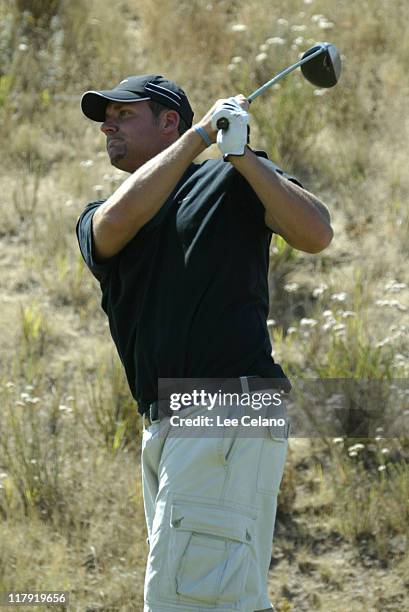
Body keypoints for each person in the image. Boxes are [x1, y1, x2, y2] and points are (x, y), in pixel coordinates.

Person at [76, 74, 333, 612]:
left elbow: (315, 234)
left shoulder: (231, 180)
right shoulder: (106, 213)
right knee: (213, 596)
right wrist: (200, 137)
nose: (107, 124)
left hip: (221, 407)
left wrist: (241, 156)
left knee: (187, 600)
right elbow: (112, 224)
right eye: (107, 117)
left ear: (168, 120)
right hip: (172, 422)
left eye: (124, 114)